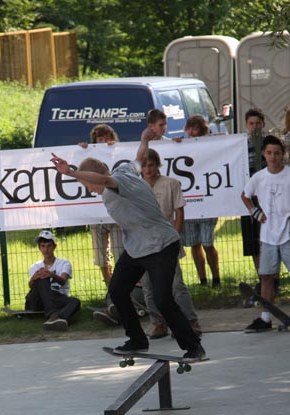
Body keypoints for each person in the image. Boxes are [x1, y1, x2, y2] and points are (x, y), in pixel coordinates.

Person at [51, 129, 206, 359]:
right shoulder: (125, 169)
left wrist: (72, 173)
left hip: (161, 244)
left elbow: (104, 180)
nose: (89, 189)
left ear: (91, 177)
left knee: (163, 299)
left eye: (87, 184)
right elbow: (140, 159)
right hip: (137, 247)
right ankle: (137, 340)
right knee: (117, 290)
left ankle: (193, 347)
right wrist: (144, 140)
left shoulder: (117, 181)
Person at [141, 148, 201, 339]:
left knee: (176, 284)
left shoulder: (171, 184)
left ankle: (191, 321)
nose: (148, 169)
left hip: (167, 241)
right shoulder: (136, 187)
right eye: (144, 165)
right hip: (143, 244)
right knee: (148, 286)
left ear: (157, 165)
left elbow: (179, 212)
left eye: (151, 165)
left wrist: (175, 237)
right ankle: (159, 323)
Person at [241, 135, 290, 332]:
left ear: (283, 155)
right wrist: (255, 212)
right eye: (269, 153)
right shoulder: (259, 177)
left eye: (277, 153)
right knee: (267, 276)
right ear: (263, 154)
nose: (273, 157)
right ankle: (266, 317)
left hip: (288, 233)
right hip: (268, 235)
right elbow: (245, 195)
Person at [80, 124, 123, 288]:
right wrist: (82, 149)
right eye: (100, 139)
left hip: (116, 214)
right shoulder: (88, 156)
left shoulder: (119, 153)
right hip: (96, 215)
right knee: (100, 256)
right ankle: (110, 287)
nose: (104, 142)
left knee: (120, 253)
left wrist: (116, 148)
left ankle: (122, 287)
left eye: (107, 138)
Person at [181, 115, 221, 288]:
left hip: (207, 203)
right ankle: (203, 280)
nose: (191, 133)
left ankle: (216, 278)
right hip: (189, 205)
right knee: (194, 244)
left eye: (195, 129)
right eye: (189, 129)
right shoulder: (181, 146)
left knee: (207, 243)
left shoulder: (210, 145)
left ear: (202, 130)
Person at [25, 230, 80, 332]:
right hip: (38, 300)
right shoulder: (35, 266)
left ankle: (56, 318)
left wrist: (51, 274)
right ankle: (53, 314)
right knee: (42, 278)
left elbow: (63, 281)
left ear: (54, 246)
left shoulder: (64, 263)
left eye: (49, 246)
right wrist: (34, 277)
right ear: (39, 247)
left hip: (56, 297)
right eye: (43, 246)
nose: (46, 250)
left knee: (76, 302)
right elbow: (31, 286)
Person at [240, 109, 267, 282]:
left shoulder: (270, 145)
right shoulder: (239, 145)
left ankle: (274, 278)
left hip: (268, 197)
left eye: (258, 123)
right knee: (253, 242)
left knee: (270, 240)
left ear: (263, 125)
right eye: (251, 123)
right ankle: (261, 278)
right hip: (248, 197)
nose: (254, 127)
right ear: (246, 125)